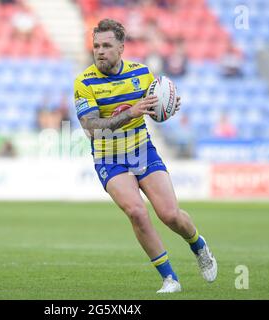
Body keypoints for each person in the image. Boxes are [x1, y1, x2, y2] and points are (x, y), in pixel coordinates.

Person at [73, 19, 217, 293]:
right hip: (109, 157)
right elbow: (92, 128)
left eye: (106, 45)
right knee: (136, 212)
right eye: (96, 46)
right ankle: (170, 278)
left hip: (142, 150)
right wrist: (131, 112)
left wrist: (169, 105)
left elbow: (159, 105)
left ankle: (198, 245)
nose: (100, 51)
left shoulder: (142, 73)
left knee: (170, 215)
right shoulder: (84, 82)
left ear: (121, 48)